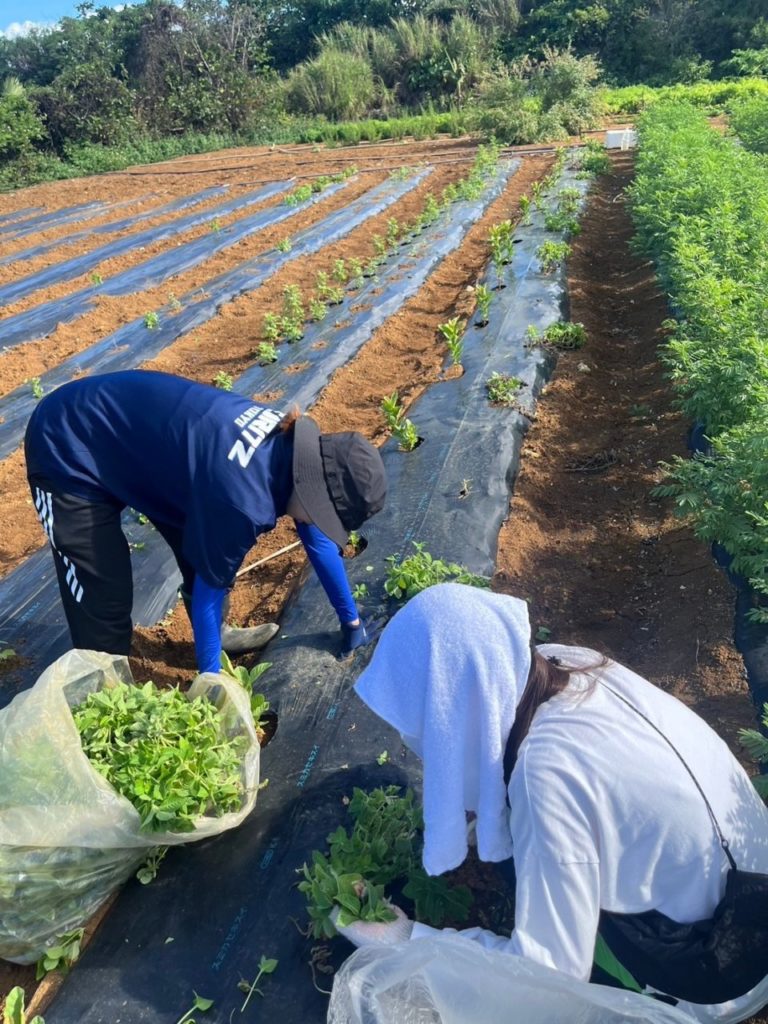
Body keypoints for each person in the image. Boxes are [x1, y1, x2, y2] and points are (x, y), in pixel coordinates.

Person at [336, 583, 768, 1024]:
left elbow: (546, 982)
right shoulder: (563, 661)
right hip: (751, 875)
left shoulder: (546, 775)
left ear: (453, 714)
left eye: (425, 723)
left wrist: (411, 942)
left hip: (722, 968)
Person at [24, 370, 386, 674]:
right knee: (102, 595)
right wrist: (212, 680)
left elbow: (317, 541)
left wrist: (350, 621)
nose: (319, 525)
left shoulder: (293, 450)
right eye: (325, 517)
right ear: (313, 495)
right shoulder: (242, 502)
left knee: (197, 544)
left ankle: (216, 634)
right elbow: (210, 591)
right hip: (68, 442)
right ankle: (98, 689)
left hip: (142, 452)